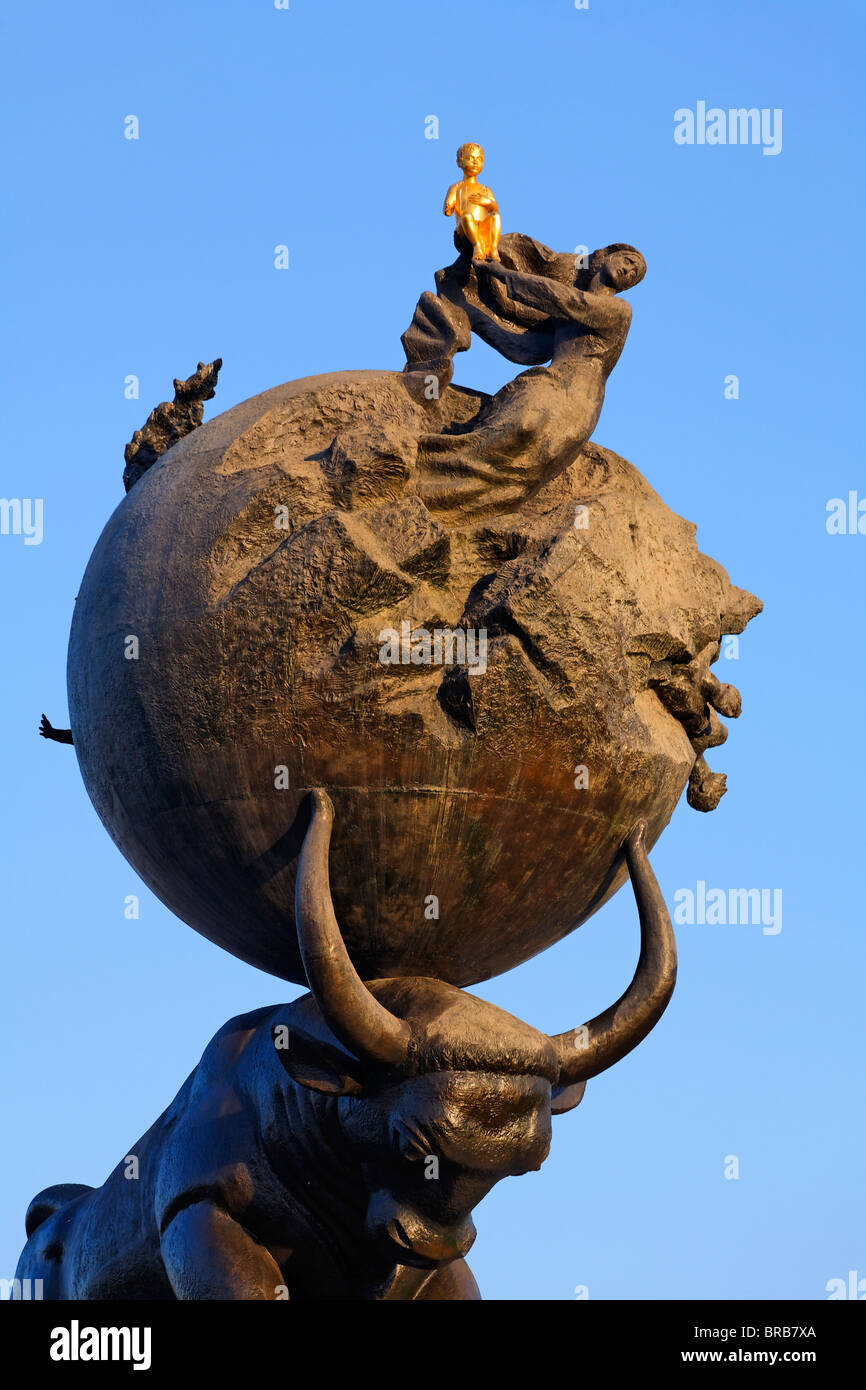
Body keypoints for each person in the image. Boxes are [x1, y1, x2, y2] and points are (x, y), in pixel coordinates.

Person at [417, 244, 646, 516]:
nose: (628, 270)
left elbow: (562, 299)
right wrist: (466, 311)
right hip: (547, 387)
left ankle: (427, 478)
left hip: (572, 404)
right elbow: (521, 345)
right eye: (629, 261)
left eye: (634, 274)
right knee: (493, 446)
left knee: (512, 450)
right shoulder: (565, 320)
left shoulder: (618, 311)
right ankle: (430, 483)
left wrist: (501, 274)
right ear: (609, 255)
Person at [443, 143, 501, 262]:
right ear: (460, 162)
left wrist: (487, 202)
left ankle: (493, 247)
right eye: (470, 158)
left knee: (496, 216)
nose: (475, 162)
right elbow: (448, 209)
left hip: (483, 226)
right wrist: (448, 207)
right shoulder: (456, 187)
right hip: (464, 227)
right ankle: (477, 245)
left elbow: (495, 208)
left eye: (479, 159)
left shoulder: (485, 189)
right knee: (467, 216)